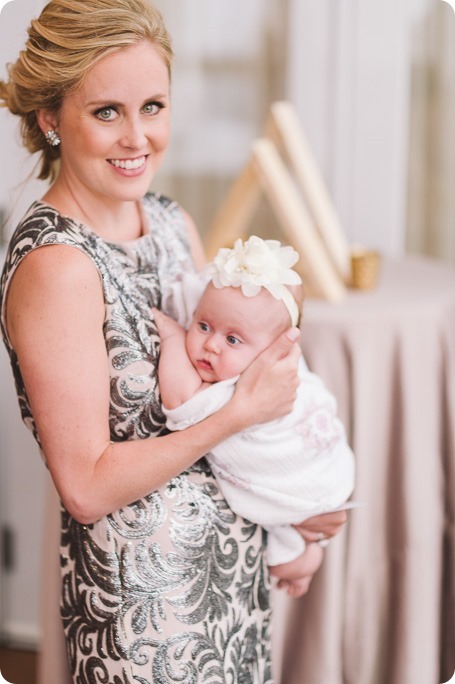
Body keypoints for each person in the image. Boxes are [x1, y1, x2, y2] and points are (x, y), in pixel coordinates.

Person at [0, 1, 347, 681]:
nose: (137, 138)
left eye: (152, 106)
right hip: (146, 614)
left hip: (232, 578)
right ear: (50, 117)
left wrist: (294, 505)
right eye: (107, 112)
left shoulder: (165, 219)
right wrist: (239, 414)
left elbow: (223, 375)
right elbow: (87, 487)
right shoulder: (57, 267)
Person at [153, 235, 355, 598]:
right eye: (202, 326)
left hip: (304, 477)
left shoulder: (239, 386)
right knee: (291, 551)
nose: (211, 344)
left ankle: (303, 560)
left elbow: (180, 399)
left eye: (233, 340)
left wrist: (171, 335)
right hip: (329, 481)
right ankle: (304, 554)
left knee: (285, 563)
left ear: (272, 351)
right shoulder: (237, 358)